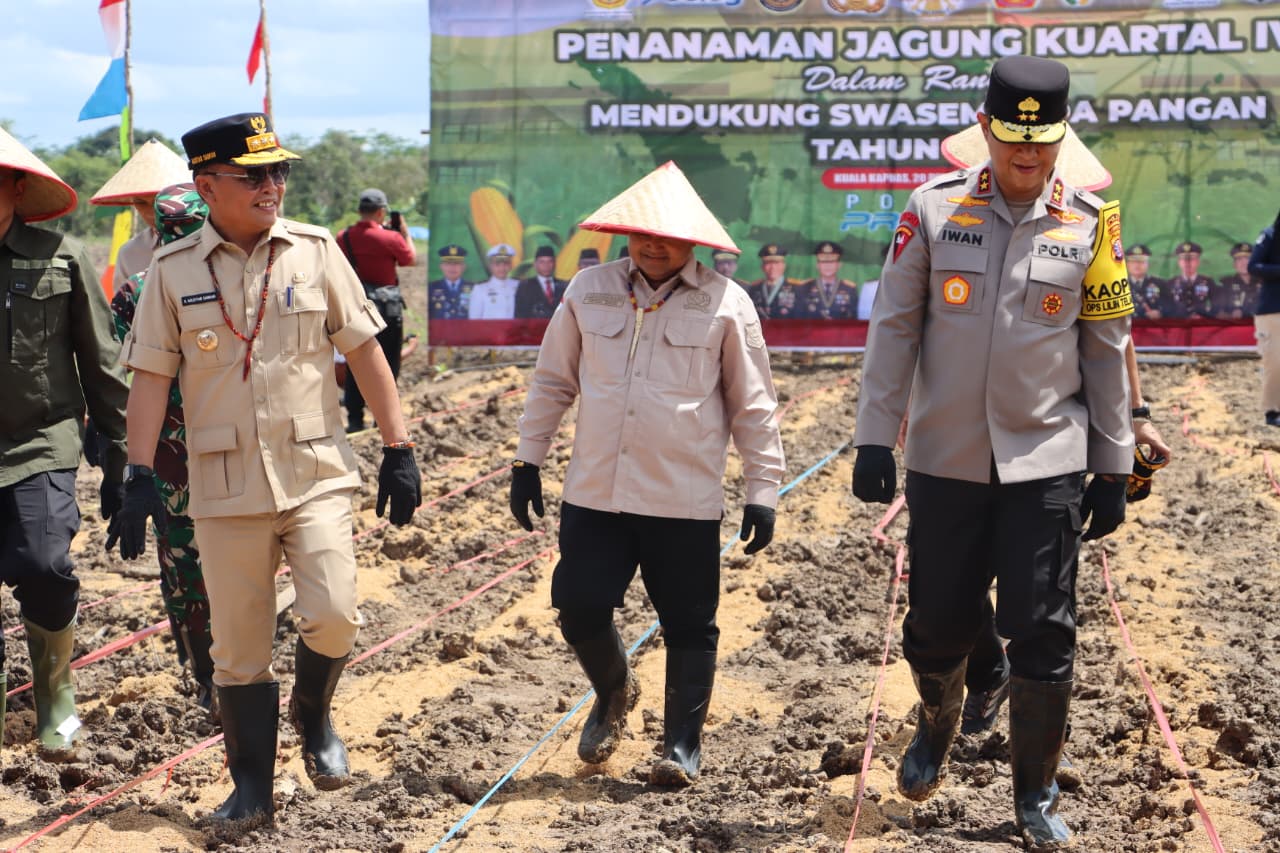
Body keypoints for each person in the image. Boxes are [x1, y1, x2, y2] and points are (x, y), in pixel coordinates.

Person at [851, 57, 1133, 849]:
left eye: (1043, 142)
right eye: (1013, 138)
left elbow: (1107, 350)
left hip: (1046, 459)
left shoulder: (1091, 223)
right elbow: (896, 326)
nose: (1028, 156)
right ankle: (938, 720)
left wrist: (1112, 464)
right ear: (986, 130)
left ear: (1060, 139)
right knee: (936, 626)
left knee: (1043, 627)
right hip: (945, 457)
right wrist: (877, 435)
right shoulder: (933, 211)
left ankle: (1035, 794)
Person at [112, 112, 422, 824]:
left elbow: (366, 349)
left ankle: (314, 714)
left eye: (277, 172)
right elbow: (151, 380)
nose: (270, 186)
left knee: (336, 614)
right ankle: (251, 782)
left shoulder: (315, 252)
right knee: (238, 647)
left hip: (313, 470)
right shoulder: (170, 271)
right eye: (252, 175)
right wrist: (135, 475)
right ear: (207, 185)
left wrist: (398, 447)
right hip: (222, 487)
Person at [509, 160, 784, 788]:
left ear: (693, 239)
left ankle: (681, 747)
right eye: (640, 233)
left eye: (665, 234)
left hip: (682, 499)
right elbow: (553, 381)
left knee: (690, 622)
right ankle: (613, 691)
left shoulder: (725, 302)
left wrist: (763, 490)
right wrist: (528, 460)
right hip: (595, 493)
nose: (651, 245)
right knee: (578, 608)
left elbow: (754, 405)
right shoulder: (590, 289)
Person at [0, 127, 130, 754]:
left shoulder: (59, 255)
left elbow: (101, 357)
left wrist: (121, 453)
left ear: (17, 188)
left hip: (39, 440)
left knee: (45, 565)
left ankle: (56, 697)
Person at [109, 183, 217, 713]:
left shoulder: (133, 291)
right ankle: (225, 673)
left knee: (182, 564)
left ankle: (205, 672)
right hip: (217, 446)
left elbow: (127, 373)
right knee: (232, 559)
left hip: (165, 452)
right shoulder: (223, 281)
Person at [337, 188, 416, 433]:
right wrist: (404, 233)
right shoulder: (390, 239)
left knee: (355, 365)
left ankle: (355, 420)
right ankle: (382, 420)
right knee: (389, 366)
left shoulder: (344, 237)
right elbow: (410, 259)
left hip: (358, 308)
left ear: (360, 211)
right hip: (388, 310)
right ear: (382, 212)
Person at [89, 138, 192, 294]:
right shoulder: (130, 253)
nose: (152, 212)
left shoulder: (216, 240)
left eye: (159, 200)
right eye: (141, 202)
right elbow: (125, 313)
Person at [1249, 209, 1280, 427]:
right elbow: (1254, 266)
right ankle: (1272, 411)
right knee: (1275, 362)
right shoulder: (1270, 235)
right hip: (1272, 311)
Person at [743, 244, 806, 319]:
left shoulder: (797, 288)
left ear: (784, 265)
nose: (772, 267)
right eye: (768, 263)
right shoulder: (754, 288)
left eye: (776, 263)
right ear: (762, 267)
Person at [798, 241, 858, 319]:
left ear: (839, 265)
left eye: (832, 262)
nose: (827, 266)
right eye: (823, 262)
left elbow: (853, 320)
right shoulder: (805, 287)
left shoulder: (849, 289)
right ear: (817, 265)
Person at [514, 245, 567, 319]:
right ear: (535, 264)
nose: (546, 265)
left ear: (554, 264)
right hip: (534, 329)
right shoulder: (525, 286)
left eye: (550, 261)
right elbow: (520, 315)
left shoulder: (564, 286)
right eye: (542, 262)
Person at [468, 243, 518, 319]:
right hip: (490, 331)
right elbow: (474, 320)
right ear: (490, 266)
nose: (502, 268)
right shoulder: (480, 289)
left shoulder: (519, 286)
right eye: (497, 264)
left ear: (511, 265)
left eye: (506, 264)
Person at [427, 243, 473, 319]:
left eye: (457, 263)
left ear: (463, 267)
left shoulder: (474, 289)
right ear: (441, 266)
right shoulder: (431, 288)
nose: (452, 267)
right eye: (448, 263)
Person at [1216, 242, 1260, 320]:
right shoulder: (1226, 284)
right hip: (1236, 329)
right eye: (1239, 259)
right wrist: (1230, 316)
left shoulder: (1265, 283)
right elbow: (1217, 313)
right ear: (1234, 264)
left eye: (1248, 258)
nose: (1244, 263)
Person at [1126, 244, 1165, 320]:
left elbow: (1170, 306)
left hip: (1151, 328)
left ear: (1148, 264)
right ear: (1128, 265)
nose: (1137, 265)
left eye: (1141, 261)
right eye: (1133, 261)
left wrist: (1160, 312)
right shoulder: (1120, 285)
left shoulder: (1160, 284)